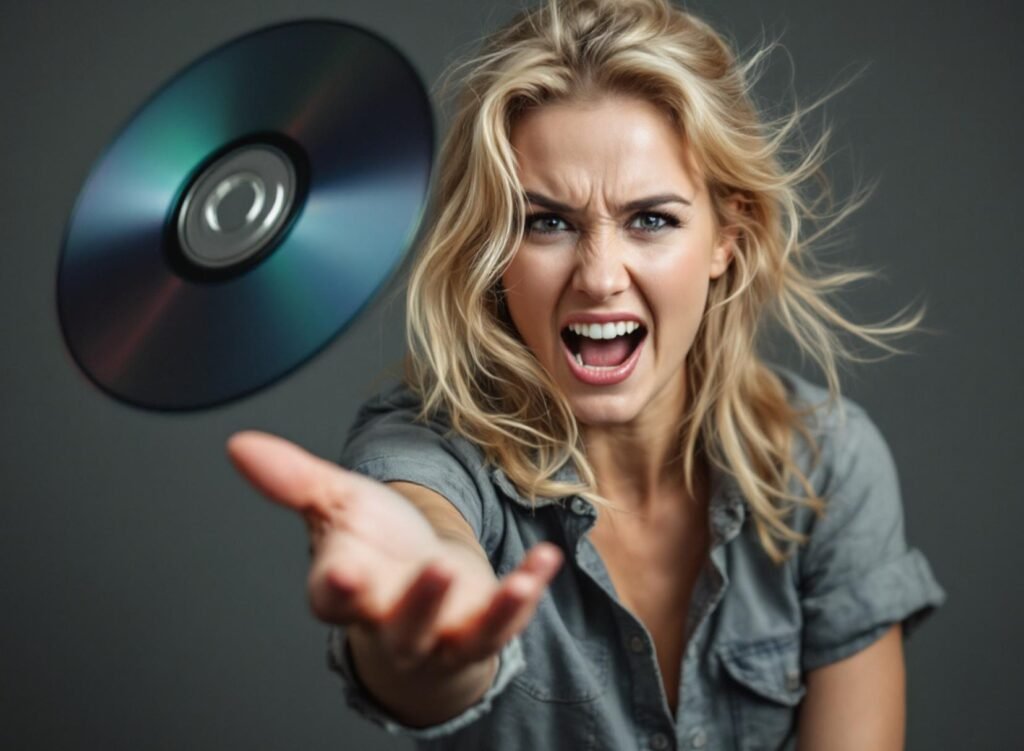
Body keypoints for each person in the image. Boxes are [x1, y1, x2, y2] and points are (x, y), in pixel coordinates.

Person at [227, 1, 946, 748]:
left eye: (652, 220)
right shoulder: (425, 450)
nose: (600, 276)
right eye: (548, 222)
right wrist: (431, 632)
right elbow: (425, 541)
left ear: (726, 239)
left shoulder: (827, 464)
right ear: (494, 253)